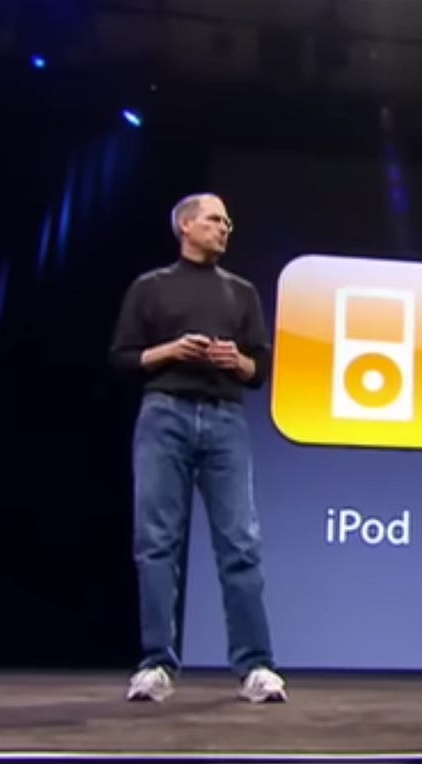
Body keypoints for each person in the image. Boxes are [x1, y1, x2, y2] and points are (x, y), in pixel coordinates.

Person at [108, 193, 286, 704]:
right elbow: (123, 358)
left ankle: (256, 666)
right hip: (164, 414)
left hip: (225, 419)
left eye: (227, 222)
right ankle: (156, 664)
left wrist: (236, 360)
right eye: (214, 220)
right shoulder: (151, 287)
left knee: (240, 543)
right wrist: (171, 350)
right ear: (185, 226)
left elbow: (259, 370)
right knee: (157, 541)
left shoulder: (241, 292)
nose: (225, 227)